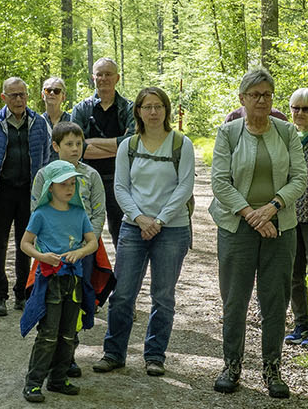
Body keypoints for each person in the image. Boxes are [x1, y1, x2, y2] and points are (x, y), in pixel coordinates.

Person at [209, 68, 307, 396]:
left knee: (275, 299)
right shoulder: (229, 133)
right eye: (255, 95)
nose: (262, 100)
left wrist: (273, 207)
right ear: (242, 99)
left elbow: (300, 178)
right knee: (235, 298)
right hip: (238, 225)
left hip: (281, 226)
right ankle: (231, 365)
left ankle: (272, 369)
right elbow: (220, 182)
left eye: (267, 94)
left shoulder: (286, 132)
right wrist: (252, 215)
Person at [92, 86, 195, 376]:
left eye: (158, 106)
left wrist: (159, 220)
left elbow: (184, 187)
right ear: (138, 111)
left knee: (163, 296)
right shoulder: (129, 145)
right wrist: (140, 219)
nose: (153, 112)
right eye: (147, 106)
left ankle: (155, 355)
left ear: (166, 110)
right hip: (134, 229)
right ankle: (113, 353)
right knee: (123, 294)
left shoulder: (180, 144)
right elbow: (120, 188)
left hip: (171, 230)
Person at [32, 121, 107, 378]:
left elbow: (98, 212)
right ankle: (48, 354)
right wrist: (47, 247)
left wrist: (88, 244)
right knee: (50, 302)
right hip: (50, 252)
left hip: (83, 251)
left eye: (79, 144)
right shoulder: (44, 175)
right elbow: (36, 209)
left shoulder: (91, 176)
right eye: (69, 144)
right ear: (55, 146)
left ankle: (68, 355)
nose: (75, 149)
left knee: (75, 303)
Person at [20, 160, 98, 402]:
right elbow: (25, 243)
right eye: (63, 184)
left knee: (68, 333)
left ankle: (58, 378)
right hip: (50, 280)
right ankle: (33, 383)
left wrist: (80, 252)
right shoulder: (41, 214)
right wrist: (43, 256)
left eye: (72, 183)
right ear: (50, 188)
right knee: (48, 333)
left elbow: (92, 242)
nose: (69, 189)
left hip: (74, 279)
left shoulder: (79, 212)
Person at [0, 77, 51, 317]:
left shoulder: (38, 122)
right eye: (13, 95)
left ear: (28, 96)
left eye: (22, 95)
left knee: (25, 245)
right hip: (0, 192)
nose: (18, 99)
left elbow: (46, 155)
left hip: (28, 193)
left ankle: (22, 294)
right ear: (4, 97)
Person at [69, 58, 135, 246]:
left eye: (108, 74)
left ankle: (121, 275)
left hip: (121, 179)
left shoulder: (129, 109)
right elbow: (76, 149)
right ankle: (87, 275)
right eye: (100, 74)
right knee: (86, 233)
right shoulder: (81, 109)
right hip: (86, 180)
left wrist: (91, 142)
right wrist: (117, 147)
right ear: (93, 78)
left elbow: (131, 145)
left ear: (117, 78)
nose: (104, 78)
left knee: (121, 233)